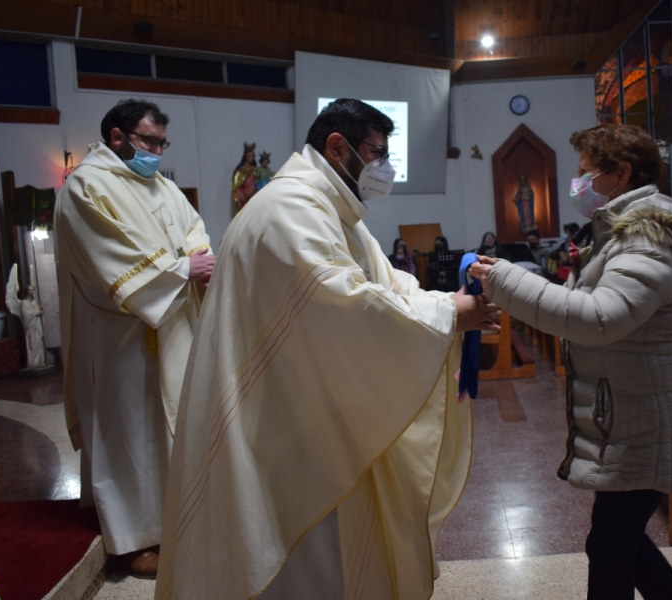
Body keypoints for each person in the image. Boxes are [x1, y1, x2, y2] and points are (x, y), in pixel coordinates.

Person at [155, 99, 499, 600]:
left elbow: (385, 283)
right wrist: (449, 317)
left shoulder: (331, 209)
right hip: (277, 424)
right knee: (303, 561)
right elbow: (342, 303)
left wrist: (448, 300)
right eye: (377, 154)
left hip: (306, 403)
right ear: (337, 148)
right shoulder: (288, 208)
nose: (385, 168)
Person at [472, 123, 672, 600]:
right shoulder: (624, 232)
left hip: (647, 417)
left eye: (586, 173)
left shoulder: (651, 239)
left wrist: (502, 278)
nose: (578, 183)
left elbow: (599, 319)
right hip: (632, 410)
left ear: (621, 174)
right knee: (615, 540)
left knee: (609, 546)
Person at [55, 99, 214, 578]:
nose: (157, 152)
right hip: (119, 335)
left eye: (162, 143)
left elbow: (193, 230)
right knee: (127, 434)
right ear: (118, 137)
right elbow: (104, 254)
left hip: (170, 326)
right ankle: (131, 541)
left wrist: (197, 259)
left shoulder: (161, 186)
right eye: (149, 141)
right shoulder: (86, 185)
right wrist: (183, 268)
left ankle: (170, 522)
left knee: (164, 429)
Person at [232, 142, 257, 211]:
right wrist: (241, 196)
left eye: (253, 156)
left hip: (254, 197)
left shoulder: (255, 170)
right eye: (249, 156)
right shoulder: (240, 171)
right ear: (245, 157)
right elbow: (236, 188)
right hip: (244, 198)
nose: (251, 158)